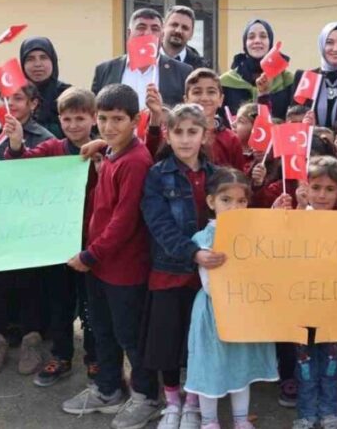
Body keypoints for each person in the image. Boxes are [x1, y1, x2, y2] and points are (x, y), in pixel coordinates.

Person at [61, 84, 156, 421]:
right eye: (103, 119)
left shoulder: (136, 161)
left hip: (124, 270)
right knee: (102, 331)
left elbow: (124, 220)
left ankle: (146, 397)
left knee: (130, 335)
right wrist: (103, 145)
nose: (109, 126)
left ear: (136, 120)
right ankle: (108, 389)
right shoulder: (113, 152)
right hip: (101, 268)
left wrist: (90, 255)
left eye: (118, 119)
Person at [4, 87, 99, 386]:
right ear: (59, 119)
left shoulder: (105, 149)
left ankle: (96, 358)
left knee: (92, 304)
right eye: (67, 118)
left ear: (94, 118)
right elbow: (25, 168)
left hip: (91, 242)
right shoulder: (52, 148)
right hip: (57, 242)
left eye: (80, 118)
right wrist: (17, 143)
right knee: (59, 302)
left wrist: (102, 157)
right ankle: (61, 356)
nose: (73, 125)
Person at [0, 83, 55, 376]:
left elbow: (51, 181)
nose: (12, 103)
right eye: (7, 97)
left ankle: (32, 338)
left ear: (33, 104)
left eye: (19, 98)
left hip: (30, 226)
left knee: (32, 280)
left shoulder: (45, 137)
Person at [140, 104, 216, 429]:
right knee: (167, 341)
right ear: (167, 135)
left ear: (204, 135)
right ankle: (172, 401)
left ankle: (194, 401)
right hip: (169, 272)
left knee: (198, 341)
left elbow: (233, 216)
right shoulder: (157, 175)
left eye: (192, 132)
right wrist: (192, 252)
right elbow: (159, 225)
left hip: (206, 278)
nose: (185, 140)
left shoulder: (216, 176)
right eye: (178, 132)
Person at [184, 169, 276, 429]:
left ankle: (240, 419)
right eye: (226, 200)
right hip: (215, 314)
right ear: (211, 201)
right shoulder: (204, 239)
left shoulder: (252, 234)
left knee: (241, 365)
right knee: (210, 366)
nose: (234, 207)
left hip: (244, 313)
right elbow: (211, 285)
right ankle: (209, 421)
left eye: (241, 201)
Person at [271, 157, 337, 429]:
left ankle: (330, 414)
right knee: (304, 367)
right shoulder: (294, 218)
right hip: (301, 311)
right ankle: (306, 415)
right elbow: (273, 245)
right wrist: (289, 211)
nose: (322, 195)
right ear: (305, 188)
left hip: (335, 311)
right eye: (316, 187)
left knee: (331, 366)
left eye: (330, 189)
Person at [92, 8, 192, 107]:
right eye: (141, 27)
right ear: (129, 33)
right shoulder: (104, 70)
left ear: (162, 36)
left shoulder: (182, 72)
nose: (148, 33)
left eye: (155, 29)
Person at [0, 36, 71, 138]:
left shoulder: (67, 94)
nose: (37, 64)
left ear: (53, 61)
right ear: (23, 63)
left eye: (43, 57)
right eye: (30, 59)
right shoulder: (7, 92)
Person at [221, 19, 295, 119]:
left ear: (270, 42)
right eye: (251, 37)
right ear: (245, 43)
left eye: (263, 36)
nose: (257, 41)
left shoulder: (286, 80)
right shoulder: (225, 81)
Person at [161, 5, 210, 70]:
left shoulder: (201, 68)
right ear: (163, 27)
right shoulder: (146, 60)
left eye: (185, 28)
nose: (178, 31)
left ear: (191, 34)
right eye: (174, 25)